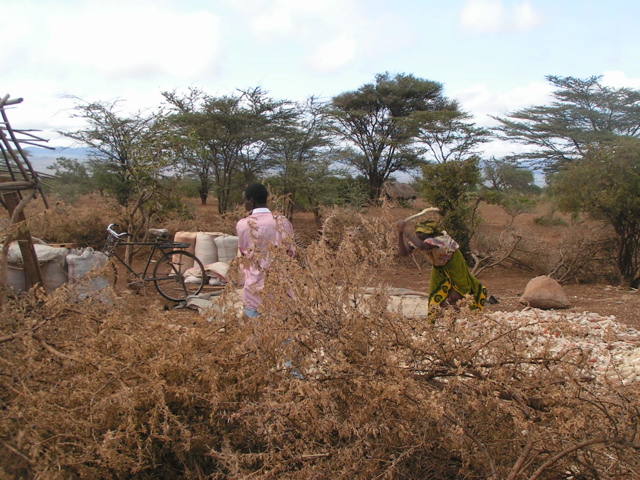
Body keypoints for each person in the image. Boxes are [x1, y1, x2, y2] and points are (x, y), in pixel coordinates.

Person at [396, 218, 487, 313]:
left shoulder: (441, 239)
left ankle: (465, 314)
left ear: (431, 233)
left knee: (459, 291)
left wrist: (404, 231)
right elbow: (403, 253)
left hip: (454, 264)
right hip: (439, 267)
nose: (419, 236)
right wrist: (400, 233)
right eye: (418, 234)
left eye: (422, 233)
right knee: (437, 293)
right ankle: (440, 318)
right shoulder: (421, 241)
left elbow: (423, 246)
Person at [236, 183, 295, 318]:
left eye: (245, 201)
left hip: (254, 288)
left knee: (256, 333)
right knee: (283, 332)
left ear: (251, 201)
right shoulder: (282, 222)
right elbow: (290, 252)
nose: (244, 204)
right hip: (280, 288)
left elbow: (244, 253)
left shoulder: (243, 225)